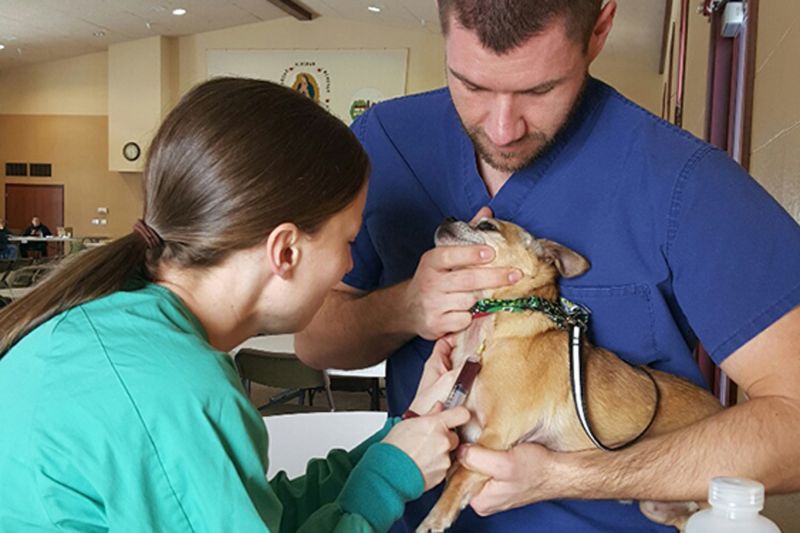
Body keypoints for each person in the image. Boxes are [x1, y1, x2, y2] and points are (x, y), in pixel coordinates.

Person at [295, 0, 800, 531]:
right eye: (470, 85)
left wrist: (571, 475)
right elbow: (313, 343)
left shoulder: (685, 184)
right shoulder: (385, 143)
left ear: (600, 28)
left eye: (540, 90)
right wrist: (404, 307)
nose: (502, 128)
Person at [0, 77, 470, 532]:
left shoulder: (117, 326)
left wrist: (399, 439)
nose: (351, 261)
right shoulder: (179, 392)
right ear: (285, 251)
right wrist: (388, 479)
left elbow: (244, 511)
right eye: (348, 240)